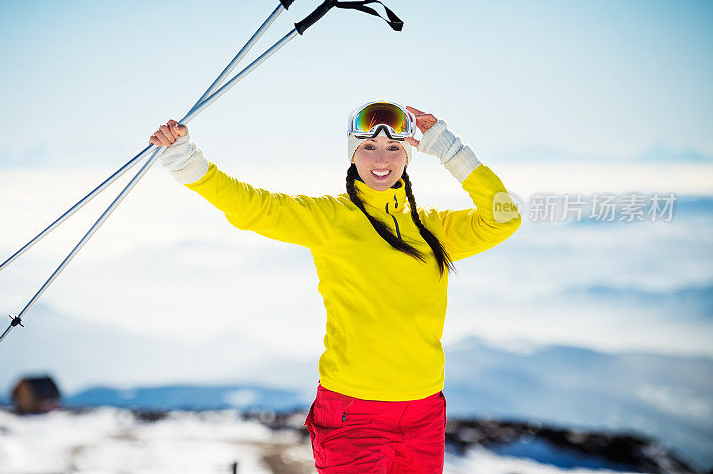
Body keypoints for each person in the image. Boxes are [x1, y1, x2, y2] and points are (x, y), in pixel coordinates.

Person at [149, 100, 521, 473]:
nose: (382, 159)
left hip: (424, 414)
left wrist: (447, 147)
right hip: (353, 415)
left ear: (409, 156)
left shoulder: (433, 230)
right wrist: (186, 159)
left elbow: (504, 217)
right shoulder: (331, 219)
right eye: (369, 148)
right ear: (352, 155)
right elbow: (254, 207)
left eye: (394, 148)